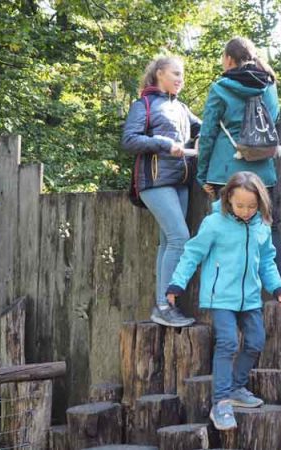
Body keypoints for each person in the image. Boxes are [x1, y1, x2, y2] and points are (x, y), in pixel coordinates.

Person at [165, 171, 281, 430]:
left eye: (252, 206)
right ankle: (220, 402)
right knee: (228, 343)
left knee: (256, 341)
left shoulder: (262, 226)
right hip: (220, 296)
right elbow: (192, 253)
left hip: (250, 297)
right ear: (228, 201)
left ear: (261, 204)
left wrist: (277, 286)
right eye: (240, 205)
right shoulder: (214, 223)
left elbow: (267, 261)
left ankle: (236, 386)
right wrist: (177, 282)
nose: (246, 211)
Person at [196, 36, 281, 301]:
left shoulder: (221, 87)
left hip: (226, 172)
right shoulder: (268, 85)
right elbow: (273, 119)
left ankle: (231, 294)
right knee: (269, 228)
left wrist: (202, 174)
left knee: (225, 231)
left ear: (229, 59)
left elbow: (208, 133)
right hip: (262, 171)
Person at [122, 56, 201, 328]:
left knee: (168, 243)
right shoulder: (143, 105)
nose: (180, 79)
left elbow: (203, 128)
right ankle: (166, 306)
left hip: (180, 181)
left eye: (183, 75)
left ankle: (161, 306)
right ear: (159, 73)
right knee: (180, 238)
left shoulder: (181, 107)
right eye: (175, 73)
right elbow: (130, 140)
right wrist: (165, 144)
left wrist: (201, 137)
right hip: (154, 182)